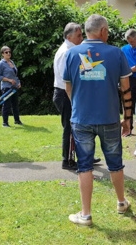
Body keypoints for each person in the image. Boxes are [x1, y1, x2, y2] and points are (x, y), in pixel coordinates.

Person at [64, 14, 133, 226]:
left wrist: (78, 106)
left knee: (84, 166)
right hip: (110, 118)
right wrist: (127, 119)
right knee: (115, 163)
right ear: (102, 31)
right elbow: (126, 90)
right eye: (108, 30)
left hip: (81, 119)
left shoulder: (72, 53)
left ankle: (85, 214)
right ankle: (121, 202)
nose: (109, 33)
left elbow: (68, 87)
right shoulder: (117, 53)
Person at [53, 23, 83, 170]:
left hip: (66, 93)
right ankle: (68, 160)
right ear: (69, 36)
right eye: (79, 35)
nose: (82, 38)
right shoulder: (66, 52)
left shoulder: (71, 50)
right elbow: (67, 79)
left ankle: (78, 155)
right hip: (65, 94)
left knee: (74, 127)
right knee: (70, 128)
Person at [0, 46, 23, 126]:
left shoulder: (12, 62)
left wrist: (18, 82)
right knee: (7, 105)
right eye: (6, 52)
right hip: (6, 87)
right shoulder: (0, 64)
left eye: (9, 52)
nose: (8, 53)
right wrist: (9, 80)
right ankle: (5, 122)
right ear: (2, 54)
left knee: (15, 104)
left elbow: (15, 75)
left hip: (14, 87)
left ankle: (17, 120)